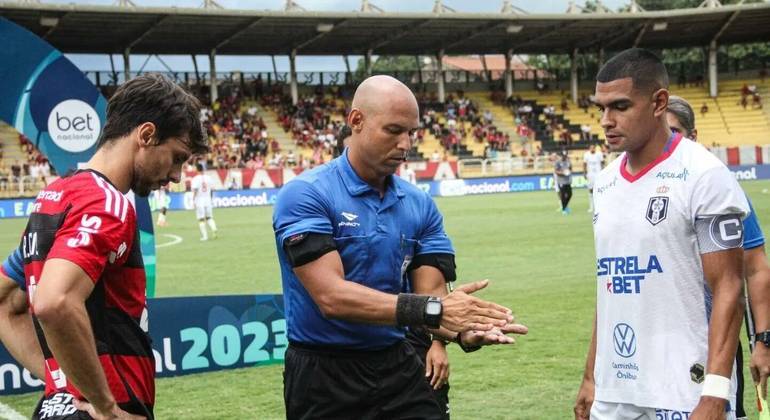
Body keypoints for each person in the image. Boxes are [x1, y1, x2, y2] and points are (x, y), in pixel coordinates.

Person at [273, 75, 527, 419]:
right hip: (324, 373)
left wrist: (464, 332)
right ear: (356, 121)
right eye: (394, 130)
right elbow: (331, 297)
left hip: (397, 361)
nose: (406, 143)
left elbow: (433, 300)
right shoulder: (306, 194)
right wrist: (437, 311)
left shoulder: (420, 205)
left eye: (412, 132)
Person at [7, 73, 207, 420]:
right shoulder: (107, 204)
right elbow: (55, 302)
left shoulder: (55, 196)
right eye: (177, 157)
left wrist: (64, 382)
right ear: (146, 135)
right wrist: (107, 407)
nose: (176, 176)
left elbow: (6, 302)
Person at [575, 48, 749, 420]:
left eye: (620, 106)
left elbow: (730, 288)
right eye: (600, 108)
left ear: (659, 102)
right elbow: (609, 286)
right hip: (616, 390)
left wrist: (716, 392)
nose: (606, 120)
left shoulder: (704, 176)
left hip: (684, 389)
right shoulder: (603, 183)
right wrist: (591, 376)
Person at [667, 95, 770, 420]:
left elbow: (755, 271)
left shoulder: (720, 189)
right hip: (655, 345)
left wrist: (763, 341)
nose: (664, 140)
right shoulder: (634, 193)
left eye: (673, 131)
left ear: (693, 137)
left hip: (713, 344)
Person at [190, 163, 218, 241]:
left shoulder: (195, 179)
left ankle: (205, 236)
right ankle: (214, 228)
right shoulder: (209, 178)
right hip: (208, 199)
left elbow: (195, 190)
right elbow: (213, 189)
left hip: (199, 200)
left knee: (201, 219)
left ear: (197, 169)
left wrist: (193, 200)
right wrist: (211, 198)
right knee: (209, 217)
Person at [583, 144, 604, 213]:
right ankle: (591, 207)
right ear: (589, 148)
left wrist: (604, 172)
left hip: (598, 175)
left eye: (593, 148)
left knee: (600, 190)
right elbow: (584, 164)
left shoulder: (599, 154)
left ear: (595, 148)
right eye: (591, 148)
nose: (592, 149)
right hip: (590, 175)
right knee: (590, 190)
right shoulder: (586, 155)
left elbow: (602, 163)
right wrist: (584, 173)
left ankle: (599, 206)